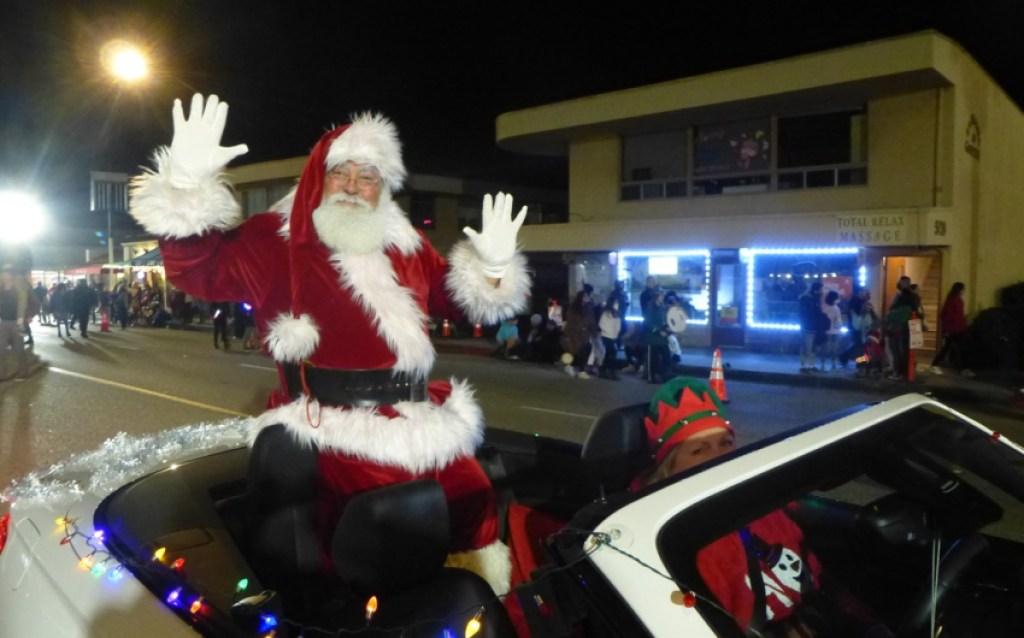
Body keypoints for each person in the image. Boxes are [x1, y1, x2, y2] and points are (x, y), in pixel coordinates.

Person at [129, 94, 531, 593]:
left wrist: (490, 269)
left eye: (368, 177)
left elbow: (459, 300)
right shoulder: (274, 238)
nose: (353, 187)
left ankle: (472, 608)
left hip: (422, 420)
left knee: (476, 505)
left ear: (383, 188)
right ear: (321, 174)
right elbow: (198, 268)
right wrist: (185, 186)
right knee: (380, 542)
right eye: (342, 172)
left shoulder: (406, 245)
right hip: (331, 429)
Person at [634, 378, 892, 637]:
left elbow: (819, 581)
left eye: (725, 443)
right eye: (699, 450)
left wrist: (870, 625)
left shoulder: (760, 506)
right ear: (668, 469)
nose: (721, 458)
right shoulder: (667, 543)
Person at [0, 264, 29, 381]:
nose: (5, 276)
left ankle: (23, 372)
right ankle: (1, 374)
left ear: (11, 275)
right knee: (1, 350)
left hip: (16, 324)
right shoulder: (0, 289)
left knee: (19, 349)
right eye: (3, 274)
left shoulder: (18, 288)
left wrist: (21, 321)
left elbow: (23, 304)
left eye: (7, 274)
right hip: (3, 323)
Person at [931, 282, 968, 372]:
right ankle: (936, 363)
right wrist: (946, 330)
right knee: (949, 348)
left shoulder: (958, 300)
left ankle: (937, 363)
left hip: (959, 328)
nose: (964, 291)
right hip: (953, 329)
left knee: (954, 348)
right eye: (962, 289)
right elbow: (947, 316)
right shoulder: (952, 300)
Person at [562, 289, 595, 378]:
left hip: (585, 334)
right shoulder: (574, 309)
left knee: (585, 350)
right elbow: (571, 322)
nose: (588, 298)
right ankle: (575, 368)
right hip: (575, 334)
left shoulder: (589, 308)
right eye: (585, 296)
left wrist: (592, 329)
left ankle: (580, 369)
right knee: (577, 351)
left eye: (588, 296)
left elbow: (591, 321)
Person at [643, 290, 671, 383]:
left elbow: (663, 321)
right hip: (653, 338)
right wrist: (659, 331)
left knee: (667, 357)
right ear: (656, 297)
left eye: (663, 296)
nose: (663, 298)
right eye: (661, 296)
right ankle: (651, 377)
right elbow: (647, 323)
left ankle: (665, 375)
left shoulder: (662, 308)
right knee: (653, 359)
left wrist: (668, 328)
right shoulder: (651, 308)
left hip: (662, 339)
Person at [798, 281, 824, 372]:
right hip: (807, 327)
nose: (822, 292)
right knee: (807, 348)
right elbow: (806, 313)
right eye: (820, 289)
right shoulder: (806, 299)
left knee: (814, 348)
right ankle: (803, 366)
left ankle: (811, 365)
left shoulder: (816, 299)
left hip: (815, 327)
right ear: (816, 290)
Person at [598, 298, 621, 379]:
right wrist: (608, 332)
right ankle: (610, 372)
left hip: (613, 336)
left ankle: (603, 370)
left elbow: (618, 324)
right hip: (606, 336)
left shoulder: (617, 314)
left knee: (609, 354)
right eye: (615, 302)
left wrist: (616, 333)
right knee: (611, 353)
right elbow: (601, 324)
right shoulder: (606, 314)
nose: (616, 304)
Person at [820, 290, 843, 372]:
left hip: (832, 331)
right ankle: (828, 364)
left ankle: (828, 364)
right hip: (831, 331)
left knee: (831, 349)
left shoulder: (825, 307)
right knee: (829, 349)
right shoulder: (832, 308)